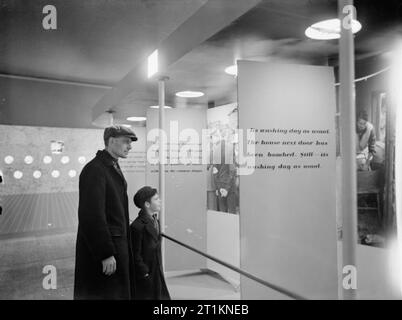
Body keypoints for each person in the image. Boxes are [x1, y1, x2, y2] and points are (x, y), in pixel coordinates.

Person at [74, 125, 137, 300]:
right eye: (126, 141)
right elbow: (91, 216)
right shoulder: (95, 170)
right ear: (111, 141)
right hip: (107, 251)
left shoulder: (110, 166)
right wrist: (105, 253)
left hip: (115, 245)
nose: (130, 146)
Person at [130, 186, 171, 300]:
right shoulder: (137, 226)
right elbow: (135, 254)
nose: (160, 201)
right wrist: (144, 272)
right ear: (147, 204)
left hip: (156, 271)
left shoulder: (155, 221)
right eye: (156, 199)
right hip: (147, 275)